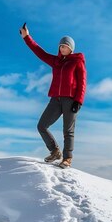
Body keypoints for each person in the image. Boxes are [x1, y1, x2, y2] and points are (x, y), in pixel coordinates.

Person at [19, 23, 86, 168]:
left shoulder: (77, 61)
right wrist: (27, 37)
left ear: (71, 48)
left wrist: (78, 101)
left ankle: (67, 158)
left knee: (68, 130)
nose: (62, 48)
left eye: (65, 46)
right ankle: (55, 151)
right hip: (56, 99)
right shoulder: (55, 61)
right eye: (61, 46)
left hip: (70, 100)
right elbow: (39, 52)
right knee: (42, 125)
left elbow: (82, 82)